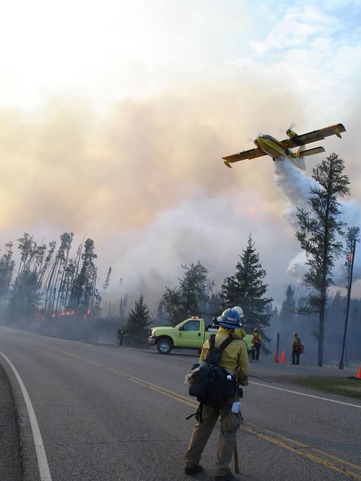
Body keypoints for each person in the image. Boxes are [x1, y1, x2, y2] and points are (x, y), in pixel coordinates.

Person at [184, 307, 249, 481]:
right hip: (228, 392)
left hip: (208, 390)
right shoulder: (240, 344)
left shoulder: (210, 339)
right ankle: (221, 471)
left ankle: (190, 464)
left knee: (202, 425)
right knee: (229, 429)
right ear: (236, 326)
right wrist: (242, 382)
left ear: (221, 323)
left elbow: (201, 363)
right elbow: (243, 371)